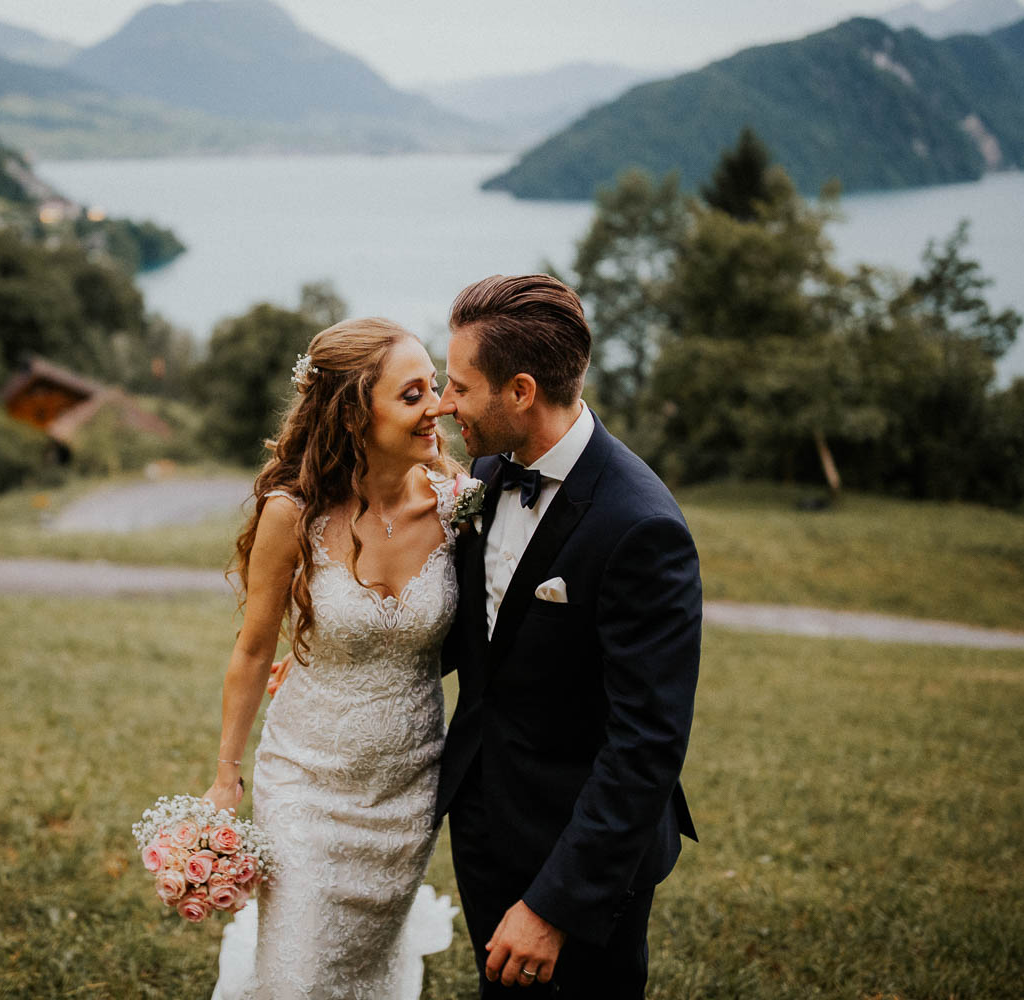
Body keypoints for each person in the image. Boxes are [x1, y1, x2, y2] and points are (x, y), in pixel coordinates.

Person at [432, 274, 702, 998]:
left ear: (521, 391)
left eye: (458, 386)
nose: (442, 402)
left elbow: (647, 742)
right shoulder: (486, 473)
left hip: (580, 853)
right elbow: (481, 635)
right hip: (485, 815)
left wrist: (555, 906)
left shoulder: (640, 527)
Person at [202, 317, 463, 1000]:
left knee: (367, 976)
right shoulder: (295, 513)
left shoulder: (458, 507)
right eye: (413, 395)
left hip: (407, 792)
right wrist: (226, 779)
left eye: (434, 386)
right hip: (306, 783)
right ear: (353, 414)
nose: (437, 405)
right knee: (297, 976)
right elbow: (255, 648)